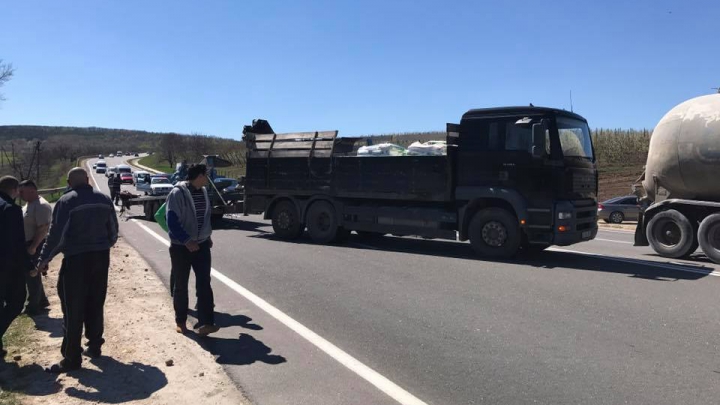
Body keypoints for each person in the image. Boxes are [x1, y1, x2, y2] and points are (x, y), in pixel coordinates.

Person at [34, 168, 118, 373]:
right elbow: (114, 231)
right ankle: (95, 345)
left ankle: (72, 358)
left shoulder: (67, 201)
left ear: (69, 182)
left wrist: (44, 259)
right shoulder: (104, 199)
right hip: (101, 257)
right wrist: (103, 245)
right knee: (96, 301)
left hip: (77, 260)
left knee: (73, 307)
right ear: (88, 179)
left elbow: (57, 235)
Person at [166, 164, 219, 336]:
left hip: (202, 244)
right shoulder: (177, 193)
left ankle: (206, 323)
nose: (208, 179)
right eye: (206, 176)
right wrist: (187, 241)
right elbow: (171, 221)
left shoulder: (202, 192)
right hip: (181, 247)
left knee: (204, 282)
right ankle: (180, 321)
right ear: (199, 176)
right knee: (181, 284)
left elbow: (205, 217)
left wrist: (207, 235)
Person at [0, 176, 32, 358]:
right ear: (14, 190)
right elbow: (17, 243)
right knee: (17, 302)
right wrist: (29, 266)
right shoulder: (11, 210)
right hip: (7, 267)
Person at [18, 180, 52, 315]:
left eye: (22, 191)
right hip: (28, 244)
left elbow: (43, 228)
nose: (19, 194)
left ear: (32, 190)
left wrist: (33, 246)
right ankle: (42, 301)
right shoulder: (29, 204)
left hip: (35, 244)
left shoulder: (41, 205)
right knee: (33, 275)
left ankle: (33, 306)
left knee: (32, 275)